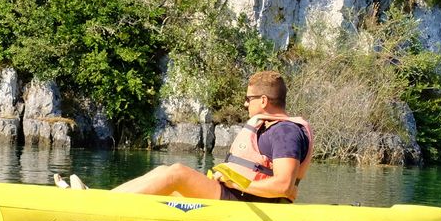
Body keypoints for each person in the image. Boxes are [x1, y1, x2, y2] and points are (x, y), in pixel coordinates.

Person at [108, 70, 313, 202]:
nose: (245, 104)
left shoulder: (286, 132)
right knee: (164, 170)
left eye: (248, 99)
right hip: (237, 195)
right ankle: (104, 199)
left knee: (178, 173)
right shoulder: (270, 127)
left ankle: (105, 207)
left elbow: (284, 186)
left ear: (263, 100)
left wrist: (239, 183)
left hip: (251, 201)